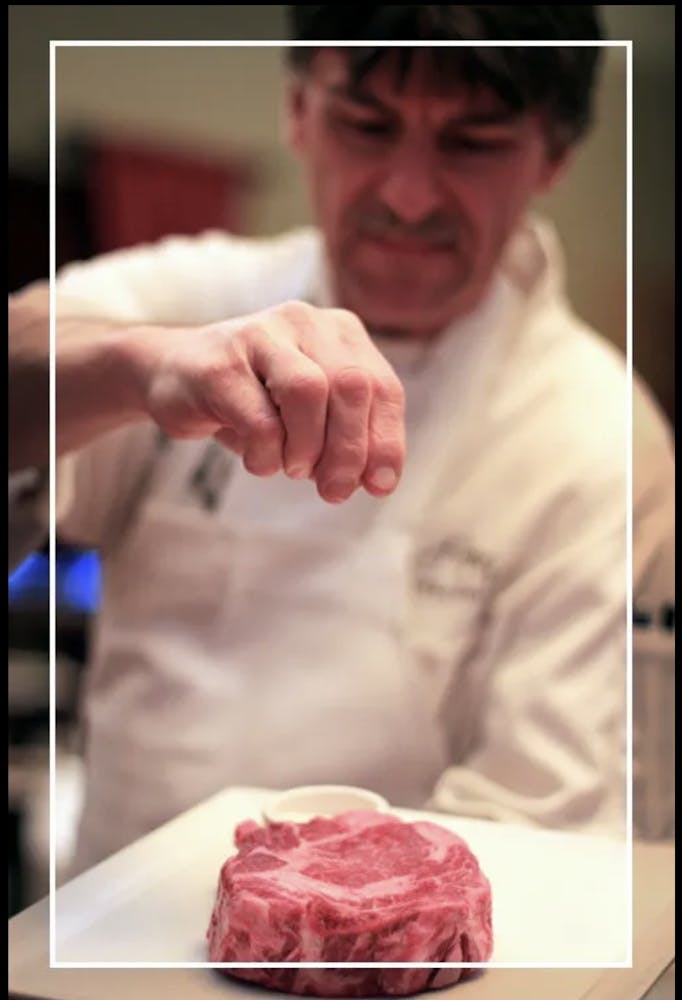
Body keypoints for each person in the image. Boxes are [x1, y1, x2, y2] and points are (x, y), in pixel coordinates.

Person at [8, 7, 675, 877]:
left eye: (472, 142)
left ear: (553, 156)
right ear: (297, 111)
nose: (407, 194)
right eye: (368, 126)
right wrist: (144, 367)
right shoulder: (200, 292)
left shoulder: (598, 434)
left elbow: (548, 834)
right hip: (104, 937)